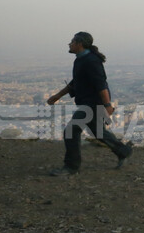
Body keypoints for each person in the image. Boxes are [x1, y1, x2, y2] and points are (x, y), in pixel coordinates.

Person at [46, 32, 133, 175]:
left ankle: (71, 167)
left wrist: (107, 106)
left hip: (93, 103)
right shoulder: (81, 60)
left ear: (79, 44)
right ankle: (123, 151)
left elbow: (101, 84)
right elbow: (76, 82)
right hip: (89, 102)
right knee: (98, 131)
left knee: (71, 131)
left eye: (72, 41)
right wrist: (57, 96)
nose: (70, 44)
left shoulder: (91, 61)